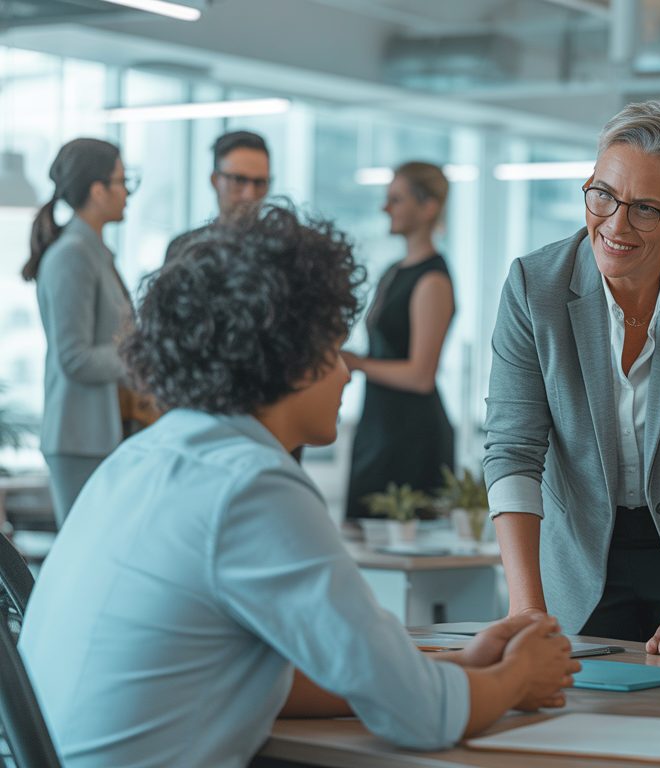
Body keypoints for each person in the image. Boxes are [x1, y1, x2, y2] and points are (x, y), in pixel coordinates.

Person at [18, 204, 579, 767]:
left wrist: (466, 665)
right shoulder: (253, 487)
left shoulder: (140, 460)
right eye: (333, 349)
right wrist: (516, 679)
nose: (344, 372)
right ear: (288, 358)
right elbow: (422, 715)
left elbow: (286, 683)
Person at [484, 100, 660, 654]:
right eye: (603, 196)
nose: (615, 224)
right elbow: (512, 451)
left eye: (645, 209)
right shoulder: (533, 286)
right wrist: (526, 608)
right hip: (581, 559)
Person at [21, 138, 137, 526]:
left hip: (99, 434)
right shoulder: (72, 255)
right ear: (97, 190)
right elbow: (75, 357)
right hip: (79, 437)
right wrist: (137, 354)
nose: (127, 193)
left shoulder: (93, 253)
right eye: (123, 182)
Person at [343, 162, 456, 519]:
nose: (385, 208)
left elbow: (421, 375)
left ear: (428, 207)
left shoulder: (433, 281)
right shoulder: (392, 272)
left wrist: (356, 363)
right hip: (377, 426)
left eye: (396, 199)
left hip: (410, 437)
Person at [165, 130, 271, 264]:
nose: (249, 195)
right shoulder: (185, 250)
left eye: (260, 183)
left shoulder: (288, 249)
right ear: (215, 180)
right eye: (238, 180)